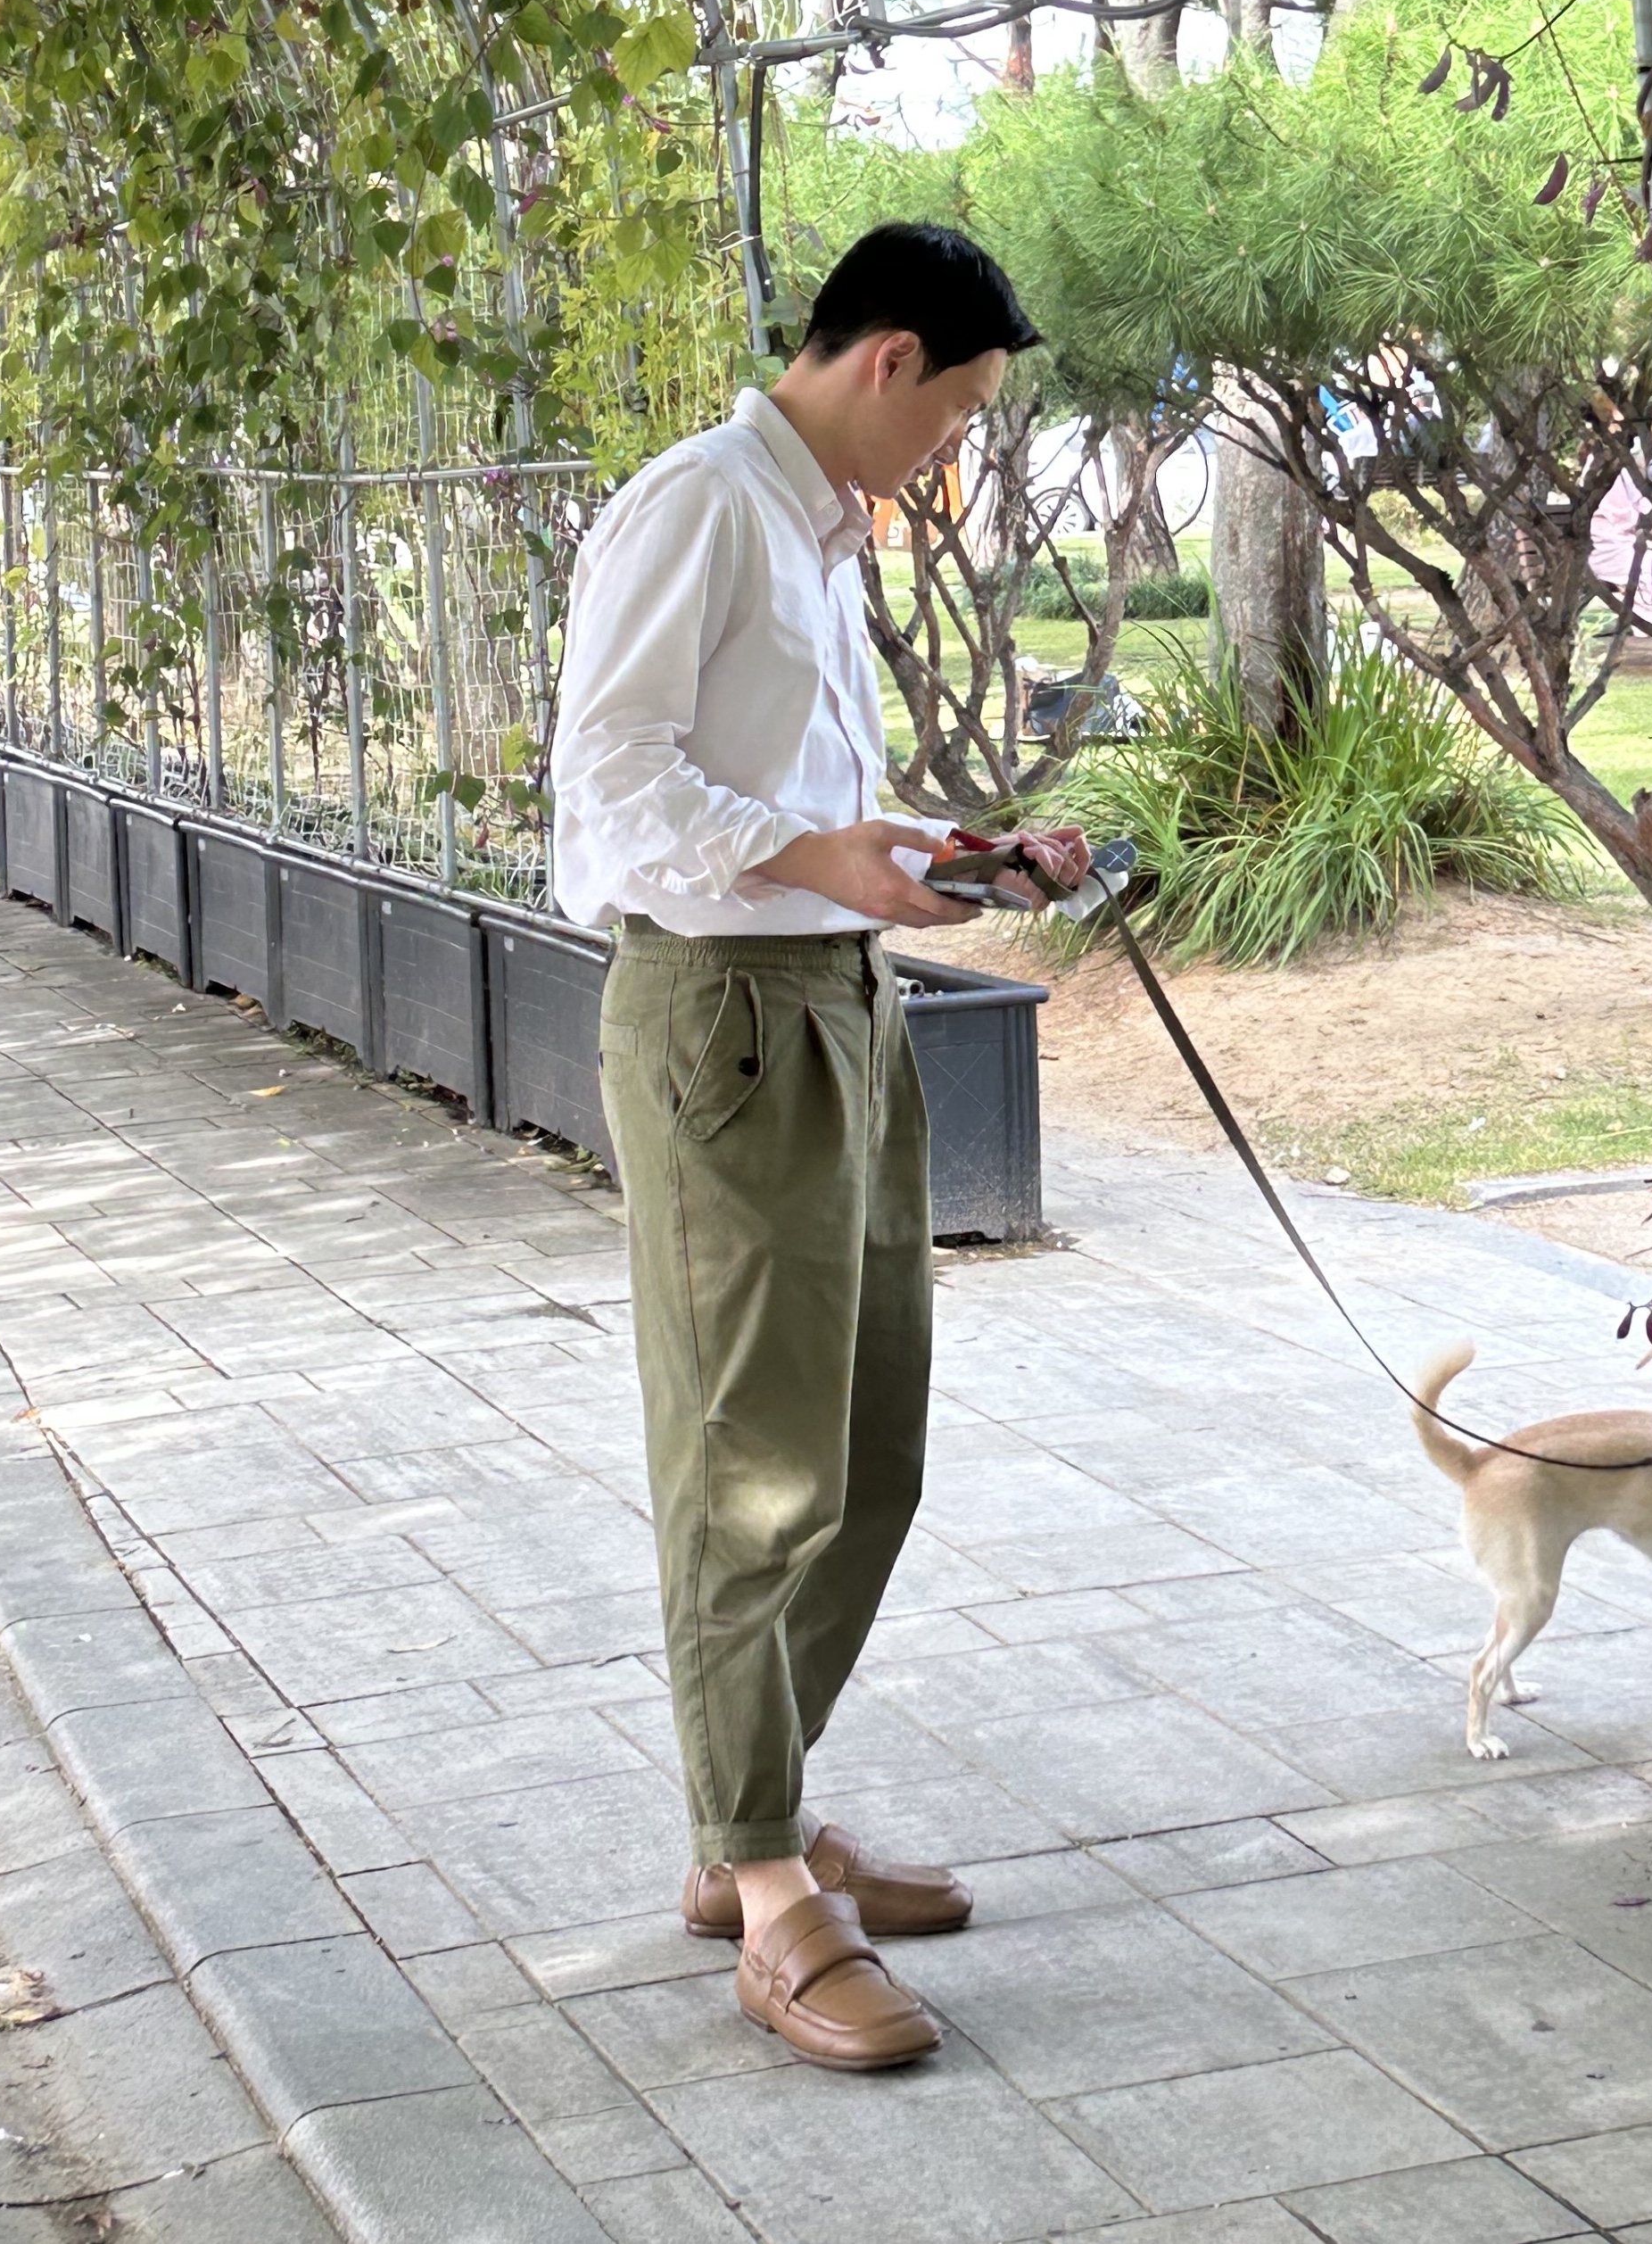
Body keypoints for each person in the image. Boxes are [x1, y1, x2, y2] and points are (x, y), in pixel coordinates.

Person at [549, 223, 1086, 2071]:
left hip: (843, 997)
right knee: (748, 1465)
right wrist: (823, 860)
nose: (955, 447)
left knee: (869, 1452)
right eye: (959, 410)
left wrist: (953, 847)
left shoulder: (810, 530)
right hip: (724, 1017)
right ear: (888, 362)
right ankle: (767, 1881)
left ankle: (749, 1809)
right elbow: (610, 794)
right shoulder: (698, 507)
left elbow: (800, 806)